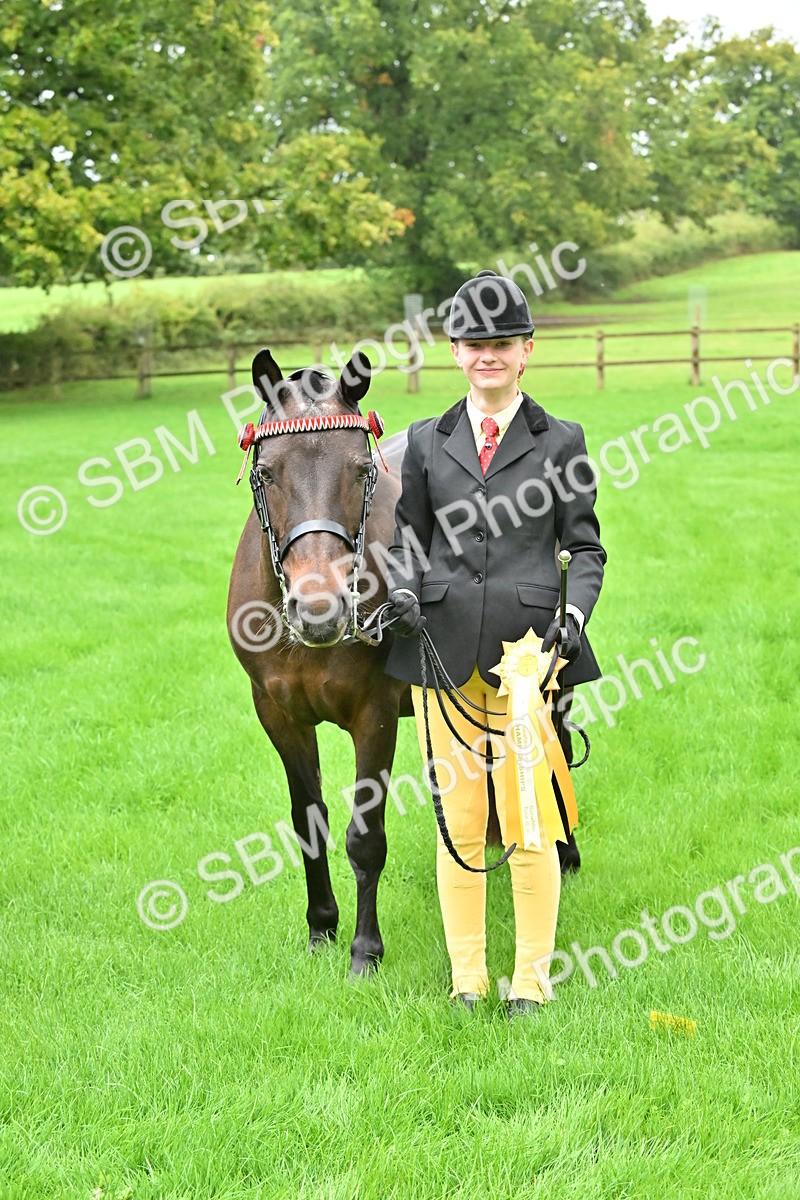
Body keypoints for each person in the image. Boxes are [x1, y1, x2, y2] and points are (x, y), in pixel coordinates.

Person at [382, 269, 606, 1017]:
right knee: (460, 824)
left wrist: (571, 623)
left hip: (527, 659)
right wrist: (406, 586)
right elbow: (405, 541)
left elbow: (588, 550)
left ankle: (531, 983)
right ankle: (467, 980)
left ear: (526, 351)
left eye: (502, 343)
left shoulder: (562, 440)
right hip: (440, 657)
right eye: (475, 343)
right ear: (454, 352)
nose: (488, 355)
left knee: (529, 824)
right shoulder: (424, 442)